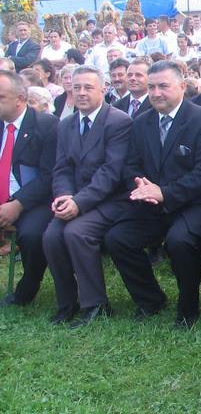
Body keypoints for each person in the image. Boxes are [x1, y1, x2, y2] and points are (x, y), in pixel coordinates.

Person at [104, 61, 201, 327]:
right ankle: (150, 299)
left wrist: (165, 193)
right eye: (152, 87)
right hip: (150, 203)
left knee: (179, 241)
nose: (156, 93)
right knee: (118, 238)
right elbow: (130, 165)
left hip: (193, 203)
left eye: (163, 86)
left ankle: (188, 305)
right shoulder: (141, 122)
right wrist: (140, 185)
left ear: (182, 86)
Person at [42, 66, 132, 327]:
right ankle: (67, 302)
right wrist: (64, 196)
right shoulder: (66, 124)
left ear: (103, 89)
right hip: (75, 198)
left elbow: (111, 173)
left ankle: (96, 304)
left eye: (88, 87)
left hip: (111, 199)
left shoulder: (118, 122)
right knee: (51, 237)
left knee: (76, 233)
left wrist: (78, 203)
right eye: (77, 87)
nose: (81, 93)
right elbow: (61, 167)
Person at [0, 71, 58, 309]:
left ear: (20, 99)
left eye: (1, 97)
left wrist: (17, 204)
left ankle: (27, 287)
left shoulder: (47, 125)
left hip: (34, 200)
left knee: (33, 235)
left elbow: (49, 176)